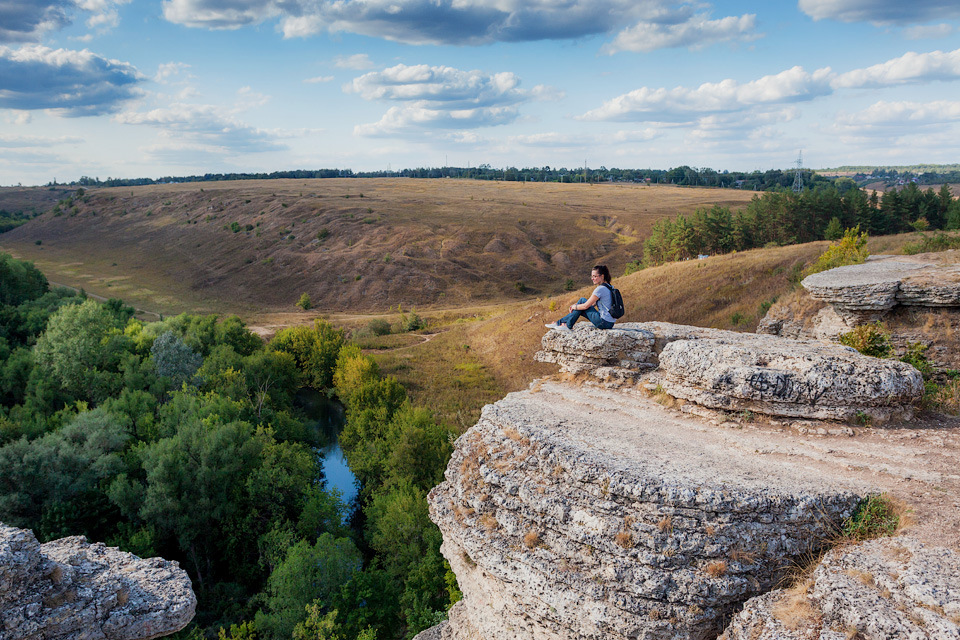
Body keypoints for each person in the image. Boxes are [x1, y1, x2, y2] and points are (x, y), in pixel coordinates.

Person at [545, 265, 616, 331]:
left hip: (603, 322)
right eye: (592, 276)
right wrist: (578, 306)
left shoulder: (600, 289)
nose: (592, 278)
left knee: (582, 300)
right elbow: (593, 304)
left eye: (595, 276)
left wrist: (574, 306)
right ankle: (559, 323)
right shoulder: (609, 286)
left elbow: (585, 306)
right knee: (581, 304)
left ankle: (567, 325)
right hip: (610, 323)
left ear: (602, 276)